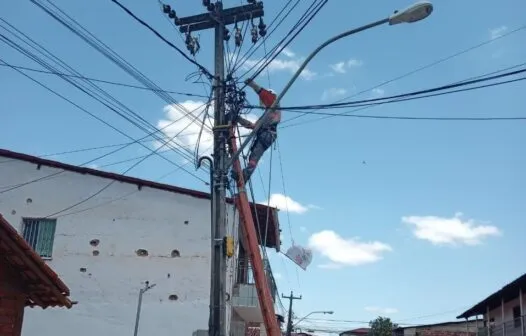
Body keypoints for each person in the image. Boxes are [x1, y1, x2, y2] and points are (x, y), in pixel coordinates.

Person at [230, 78, 281, 182]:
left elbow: (267, 97)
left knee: (255, 154)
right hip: (266, 135)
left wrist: (253, 85)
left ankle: (245, 175)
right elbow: (253, 126)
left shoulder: (275, 107)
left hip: (267, 134)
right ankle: (244, 175)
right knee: (254, 156)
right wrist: (238, 118)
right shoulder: (266, 115)